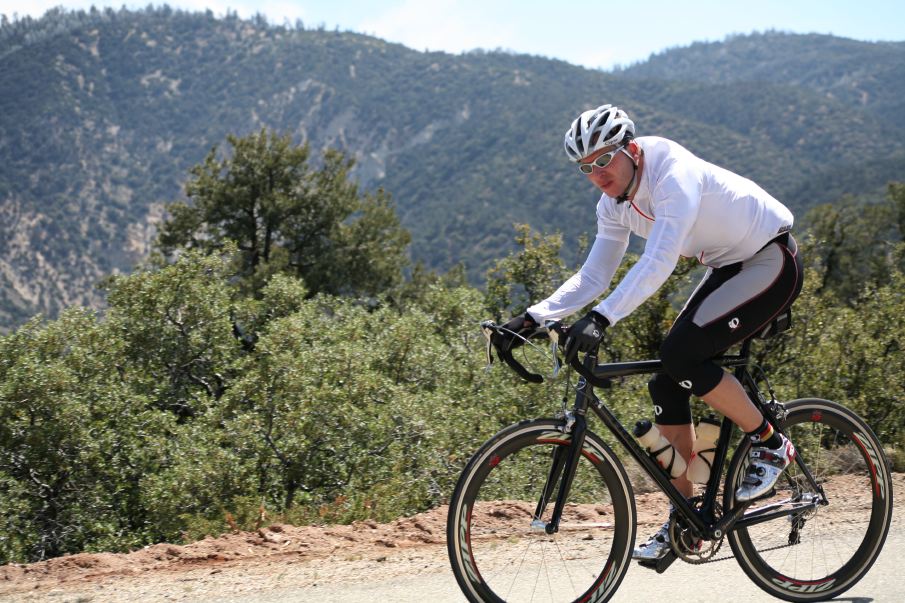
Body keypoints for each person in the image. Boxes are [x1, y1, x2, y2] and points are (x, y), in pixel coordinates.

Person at [494, 104, 803, 561]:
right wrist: (532, 318)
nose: (597, 173)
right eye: (585, 166)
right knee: (666, 379)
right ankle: (686, 517)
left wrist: (600, 319)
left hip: (769, 258)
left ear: (631, 149)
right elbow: (594, 276)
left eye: (604, 159)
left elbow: (657, 260)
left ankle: (771, 442)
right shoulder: (611, 206)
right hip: (726, 264)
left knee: (682, 355)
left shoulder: (672, 173)